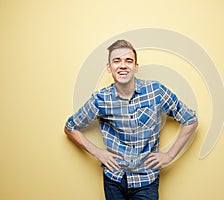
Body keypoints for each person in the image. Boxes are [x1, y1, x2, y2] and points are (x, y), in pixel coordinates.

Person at [64, 40, 198, 200]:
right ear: (109, 67)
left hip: (146, 180)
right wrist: (97, 152)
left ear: (136, 67)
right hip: (114, 179)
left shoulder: (156, 92)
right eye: (116, 61)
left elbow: (190, 120)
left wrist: (169, 155)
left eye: (128, 60)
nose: (122, 65)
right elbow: (70, 127)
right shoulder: (101, 99)